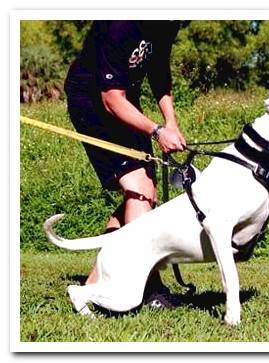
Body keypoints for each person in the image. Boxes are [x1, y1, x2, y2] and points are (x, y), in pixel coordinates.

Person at [64, 20, 186, 308]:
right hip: (93, 100)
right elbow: (111, 100)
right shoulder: (120, 24)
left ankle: (93, 286)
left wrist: (170, 122)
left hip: (124, 96)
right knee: (139, 189)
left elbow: (159, 72)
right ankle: (151, 288)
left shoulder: (167, 23)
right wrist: (156, 131)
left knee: (144, 195)